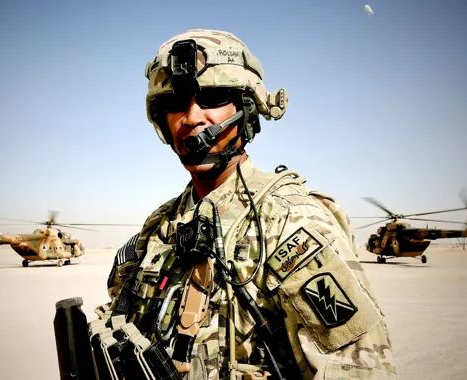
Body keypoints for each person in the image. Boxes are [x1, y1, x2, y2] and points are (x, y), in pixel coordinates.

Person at [102, 29, 397, 380]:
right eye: (176, 103)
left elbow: (361, 369)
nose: (193, 117)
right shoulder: (160, 225)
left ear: (245, 109)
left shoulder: (290, 221)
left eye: (212, 98)